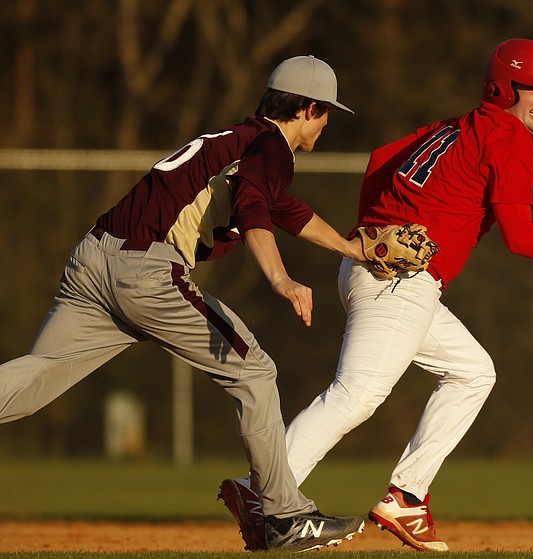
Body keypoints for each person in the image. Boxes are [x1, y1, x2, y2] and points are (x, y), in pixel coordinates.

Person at [222, 39, 533, 552]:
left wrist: (368, 232)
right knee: (356, 395)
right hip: (399, 282)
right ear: (503, 86)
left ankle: (406, 495)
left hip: (380, 275)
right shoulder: (509, 136)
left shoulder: (454, 127)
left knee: (473, 372)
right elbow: (522, 236)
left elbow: (382, 159)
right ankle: (262, 491)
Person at [0, 55, 368, 553]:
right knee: (255, 371)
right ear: (306, 108)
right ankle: (284, 517)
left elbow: (283, 209)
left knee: (40, 373)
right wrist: (282, 279)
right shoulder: (272, 148)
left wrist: (352, 248)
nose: (326, 125)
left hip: (94, 257)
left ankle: (282, 514)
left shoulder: (240, 141)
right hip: (145, 272)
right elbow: (255, 207)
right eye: (326, 113)